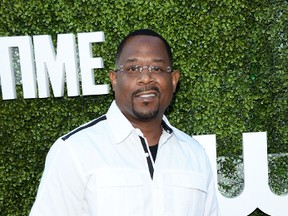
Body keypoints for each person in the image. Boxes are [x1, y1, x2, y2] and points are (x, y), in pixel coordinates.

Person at [30, 29, 220, 216]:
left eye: (157, 68)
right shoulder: (75, 150)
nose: (146, 78)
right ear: (114, 80)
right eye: (133, 69)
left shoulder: (195, 154)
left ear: (173, 80)